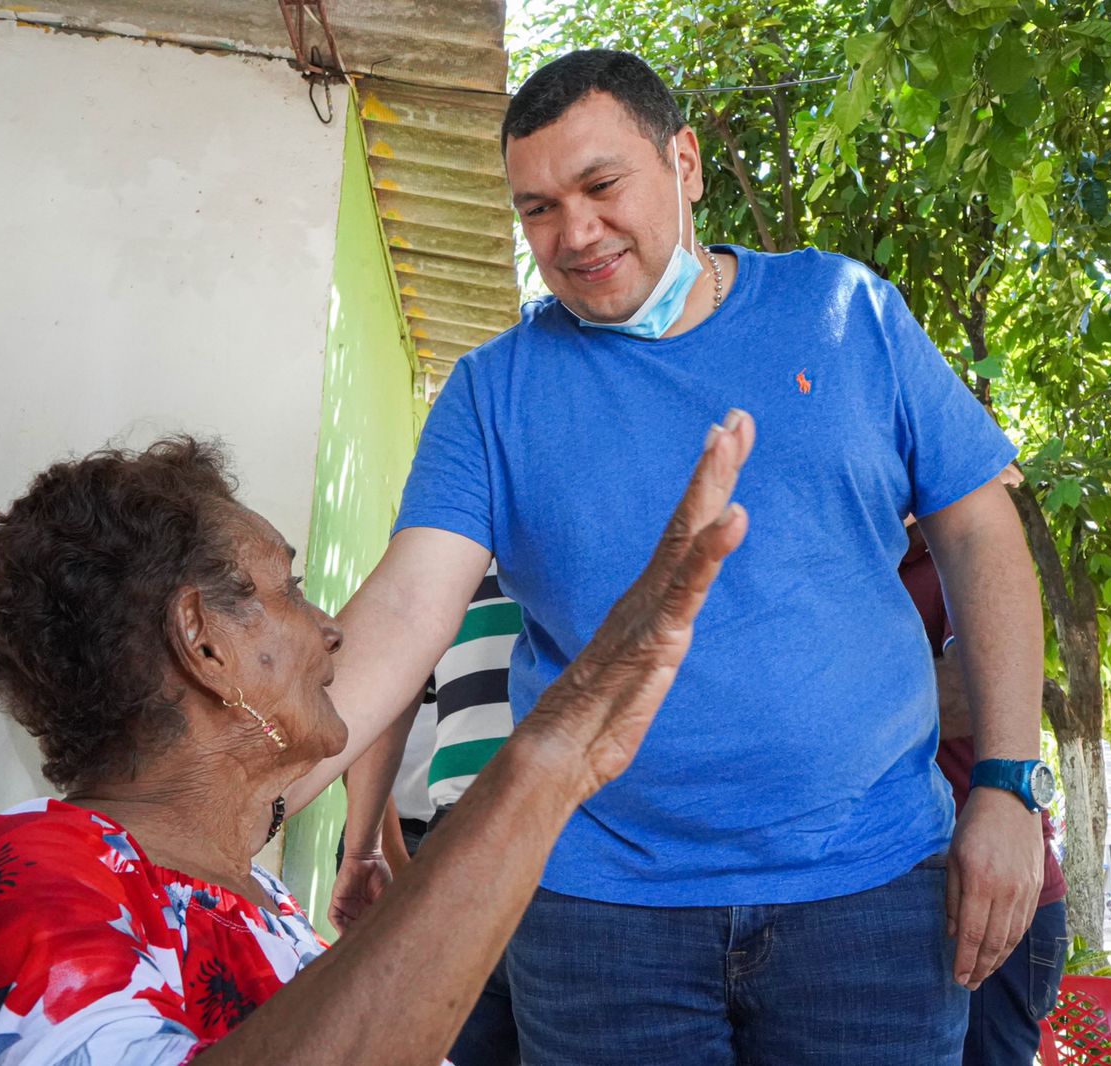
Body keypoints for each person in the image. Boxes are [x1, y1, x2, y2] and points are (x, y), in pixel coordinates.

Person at [287, 48, 1047, 1064]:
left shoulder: (847, 312)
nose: (575, 234)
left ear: (683, 162)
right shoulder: (491, 393)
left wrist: (1005, 780)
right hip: (596, 911)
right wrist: (242, 792)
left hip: (868, 891)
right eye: (538, 209)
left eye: (601, 187)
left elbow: (978, 529)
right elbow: (404, 611)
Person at [0, 427, 751, 1064]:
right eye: (286, 588)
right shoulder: (32, 872)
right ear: (204, 642)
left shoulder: (251, 895)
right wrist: (544, 763)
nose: (330, 629)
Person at [901, 496, 1070, 1065]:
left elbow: (977, 691)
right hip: (926, 892)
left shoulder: (956, 555)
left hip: (994, 894)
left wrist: (848, 703)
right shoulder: (870, 571)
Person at [334, 563, 525, 1065]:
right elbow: (380, 698)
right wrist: (368, 848)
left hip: (558, 828)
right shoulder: (454, 553)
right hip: (458, 833)